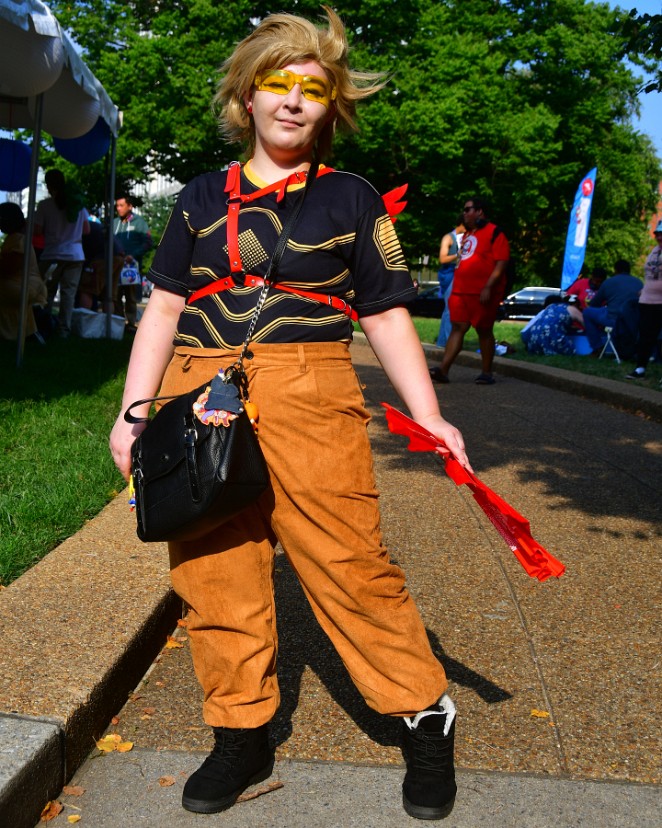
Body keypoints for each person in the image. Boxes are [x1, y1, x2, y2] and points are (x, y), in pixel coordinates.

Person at [110, 7, 471, 821]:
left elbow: (384, 314)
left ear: (331, 108)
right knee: (213, 567)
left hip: (311, 389)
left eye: (314, 89)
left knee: (348, 560)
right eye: (278, 84)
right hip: (201, 389)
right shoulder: (201, 198)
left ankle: (422, 715)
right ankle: (239, 732)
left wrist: (430, 414)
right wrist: (135, 413)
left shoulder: (351, 198)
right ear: (246, 98)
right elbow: (164, 309)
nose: (293, 101)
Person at [430, 198, 510, 385]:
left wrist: (489, 287)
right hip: (461, 291)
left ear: (480, 211)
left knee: (484, 330)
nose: (464, 213)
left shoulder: (495, 232)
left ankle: (486, 373)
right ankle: (443, 369)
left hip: (482, 292)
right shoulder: (467, 234)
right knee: (458, 327)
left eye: (468, 209)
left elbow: (501, 262)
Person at [34, 169, 90, 337]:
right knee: (68, 294)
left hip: (52, 255)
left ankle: (43, 326)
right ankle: (63, 330)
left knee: (46, 293)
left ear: (49, 185)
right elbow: (86, 230)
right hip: (75, 255)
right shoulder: (78, 205)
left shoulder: (45, 205)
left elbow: (36, 230)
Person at [0, 202, 47, 340]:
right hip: (26, 286)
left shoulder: (18, 239)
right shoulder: (19, 238)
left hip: (22, 288)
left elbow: (7, 269)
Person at [582, 259, 642, 356]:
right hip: (633, 322)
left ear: (616, 270)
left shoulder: (609, 282)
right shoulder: (639, 283)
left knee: (588, 312)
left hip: (614, 320)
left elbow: (594, 303)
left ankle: (597, 347)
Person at [625, 221, 662, 379]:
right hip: (647, 300)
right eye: (657, 234)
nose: (659, 237)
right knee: (646, 336)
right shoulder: (654, 251)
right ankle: (640, 368)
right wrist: (644, 290)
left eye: (661, 234)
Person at [113, 194, 152, 329]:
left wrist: (134, 255)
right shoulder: (115, 223)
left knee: (131, 297)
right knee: (115, 296)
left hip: (132, 268)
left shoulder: (139, 223)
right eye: (117, 206)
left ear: (130, 206)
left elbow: (148, 242)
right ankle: (118, 322)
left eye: (121, 205)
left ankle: (130, 323)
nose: (118, 208)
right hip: (116, 266)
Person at [435, 220, 464, 347]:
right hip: (448, 274)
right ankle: (446, 342)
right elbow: (442, 258)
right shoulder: (448, 238)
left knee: (451, 309)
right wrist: (457, 255)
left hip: (456, 273)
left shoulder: (463, 238)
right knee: (449, 309)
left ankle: (443, 342)